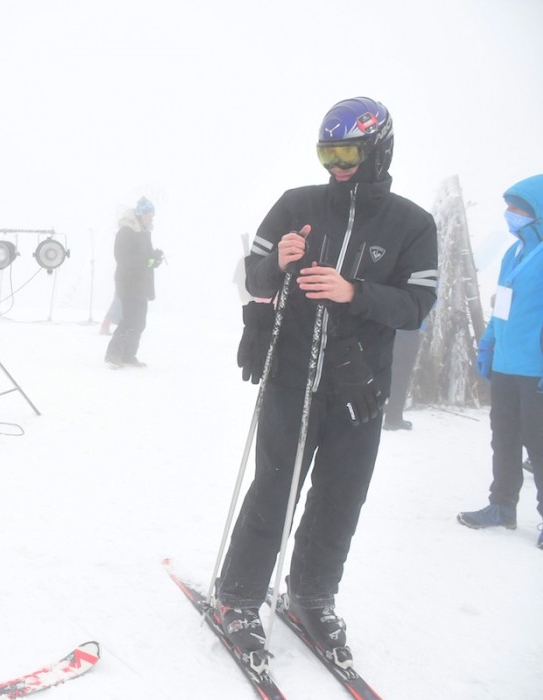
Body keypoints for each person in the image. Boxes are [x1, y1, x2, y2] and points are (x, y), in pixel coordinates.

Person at [215, 97, 438, 662]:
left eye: (348, 154)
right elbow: (253, 282)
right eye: (327, 154)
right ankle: (238, 596)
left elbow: (417, 306)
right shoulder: (297, 204)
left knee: (342, 496)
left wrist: (353, 292)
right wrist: (277, 262)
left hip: (359, 386)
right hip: (290, 378)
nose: (337, 166)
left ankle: (311, 595)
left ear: (379, 150)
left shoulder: (412, 224)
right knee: (274, 488)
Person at [457, 174, 543, 549]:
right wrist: (488, 346)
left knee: (539, 445)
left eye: (518, 209)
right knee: (504, 440)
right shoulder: (513, 254)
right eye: (508, 207)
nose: (510, 214)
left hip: (536, 370)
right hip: (507, 366)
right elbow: (502, 308)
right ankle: (502, 506)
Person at [104, 197, 163, 368]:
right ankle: (113, 354)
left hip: (141, 285)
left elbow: (146, 258)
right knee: (129, 320)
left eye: (152, 215)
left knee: (140, 322)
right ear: (140, 214)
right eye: (148, 215)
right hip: (128, 283)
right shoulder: (126, 231)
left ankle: (128, 355)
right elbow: (123, 257)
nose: (151, 218)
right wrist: (147, 261)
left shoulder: (144, 232)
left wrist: (155, 258)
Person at [382, 326, 423, 430]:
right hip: (407, 331)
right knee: (401, 375)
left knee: (386, 371)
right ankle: (393, 418)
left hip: (388, 330)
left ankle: (381, 411)